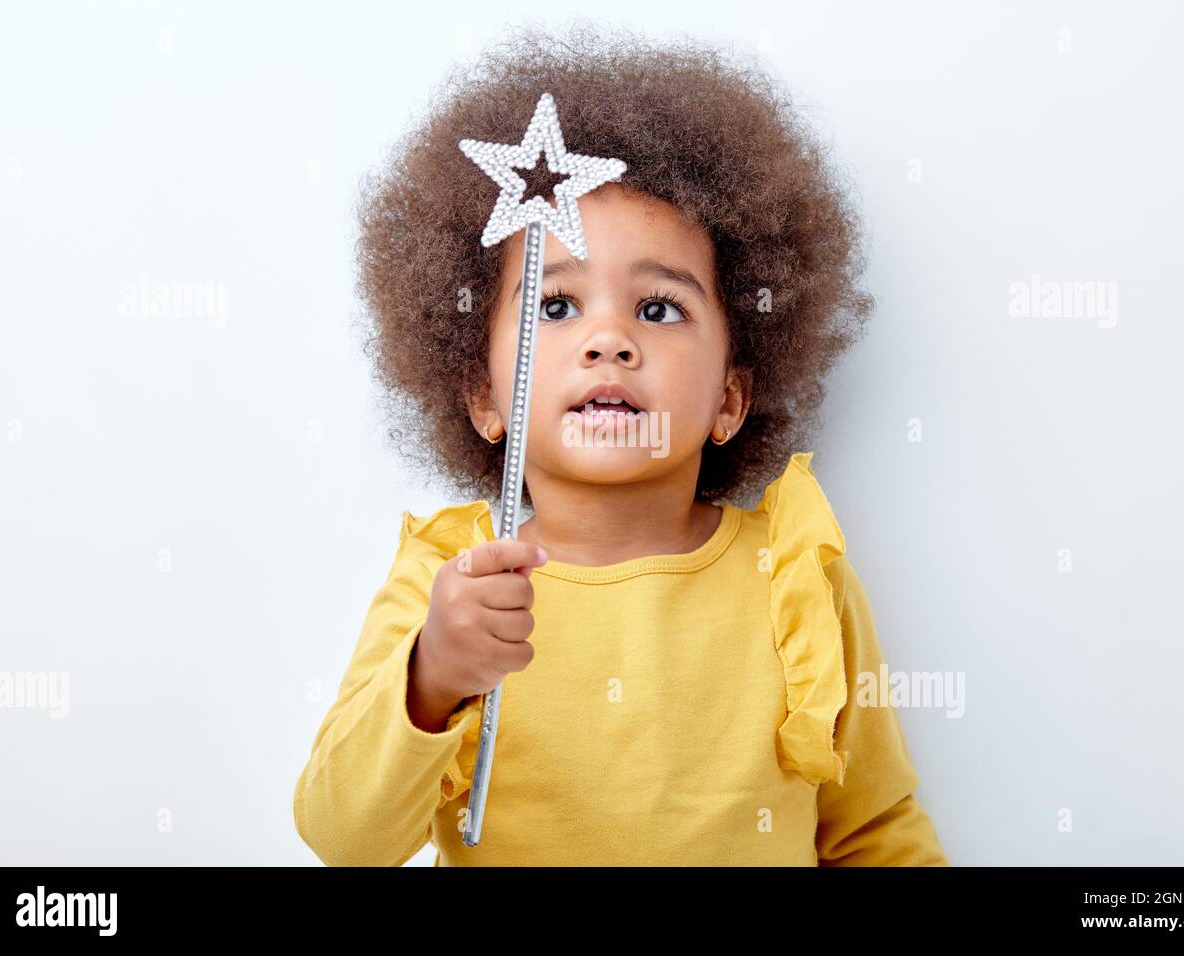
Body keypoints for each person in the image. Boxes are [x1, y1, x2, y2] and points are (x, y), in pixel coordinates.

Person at [293, 22, 947, 866]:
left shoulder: (793, 577)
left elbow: (873, 831)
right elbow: (344, 839)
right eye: (557, 308)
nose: (609, 340)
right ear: (485, 396)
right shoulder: (449, 579)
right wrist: (431, 678)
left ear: (730, 397)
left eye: (659, 308)